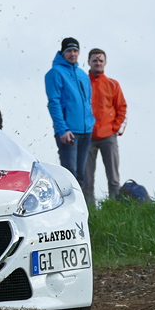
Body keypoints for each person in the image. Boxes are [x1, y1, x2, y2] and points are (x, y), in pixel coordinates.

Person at [45, 37, 94, 187]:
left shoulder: (82, 74)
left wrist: (91, 122)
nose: (73, 54)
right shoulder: (55, 73)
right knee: (69, 176)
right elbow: (54, 103)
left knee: (82, 176)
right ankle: (66, 208)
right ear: (63, 52)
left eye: (75, 50)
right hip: (69, 132)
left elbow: (88, 101)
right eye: (69, 51)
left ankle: (85, 209)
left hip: (86, 131)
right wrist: (62, 129)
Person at [84, 48, 127, 204]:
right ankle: (90, 212)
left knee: (113, 177)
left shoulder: (113, 84)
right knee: (87, 179)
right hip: (87, 136)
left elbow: (122, 107)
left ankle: (114, 208)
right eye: (95, 60)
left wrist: (115, 129)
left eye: (101, 60)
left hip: (108, 136)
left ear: (105, 63)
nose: (98, 63)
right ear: (89, 62)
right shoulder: (82, 82)